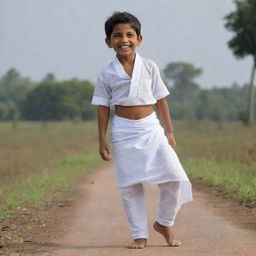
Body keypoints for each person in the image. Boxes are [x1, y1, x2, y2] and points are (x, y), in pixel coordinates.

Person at [91, 11, 193, 249]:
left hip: (151, 128)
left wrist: (169, 131)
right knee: (130, 185)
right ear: (108, 42)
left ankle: (164, 223)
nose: (124, 39)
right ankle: (139, 234)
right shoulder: (106, 73)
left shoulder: (149, 66)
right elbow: (103, 107)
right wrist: (101, 139)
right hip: (124, 131)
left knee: (174, 178)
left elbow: (161, 99)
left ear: (139, 39)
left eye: (129, 34)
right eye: (117, 35)